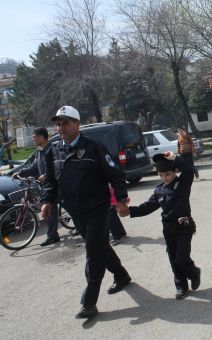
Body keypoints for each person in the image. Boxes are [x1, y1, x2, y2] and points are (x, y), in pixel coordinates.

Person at [41, 106, 132, 319]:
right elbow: (51, 182)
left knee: (93, 253)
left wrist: (121, 200)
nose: (60, 127)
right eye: (58, 123)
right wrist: (47, 201)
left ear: (77, 124)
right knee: (100, 246)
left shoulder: (93, 148)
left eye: (65, 123)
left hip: (98, 209)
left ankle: (88, 302)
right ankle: (122, 275)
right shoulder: (53, 151)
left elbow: (115, 175)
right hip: (76, 211)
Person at [120, 152, 201, 300]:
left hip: (184, 227)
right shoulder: (159, 190)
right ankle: (181, 286)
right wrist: (130, 211)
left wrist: (175, 158)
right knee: (173, 259)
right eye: (161, 175)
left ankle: (194, 272)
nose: (165, 178)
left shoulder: (182, 184)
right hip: (168, 230)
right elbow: (148, 207)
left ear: (175, 172)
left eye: (168, 174)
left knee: (181, 258)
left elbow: (189, 170)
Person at [13, 128, 60, 246]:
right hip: (46, 187)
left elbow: (58, 167)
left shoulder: (53, 149)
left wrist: (46, 175)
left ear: (41, 137)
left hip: (57, 186)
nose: (33, 139)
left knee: (70, 209)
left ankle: (84, 227)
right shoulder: (39, 152)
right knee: (51, 211)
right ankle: (53, 236)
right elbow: (33, 168)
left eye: (34, 137)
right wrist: (20, 173)